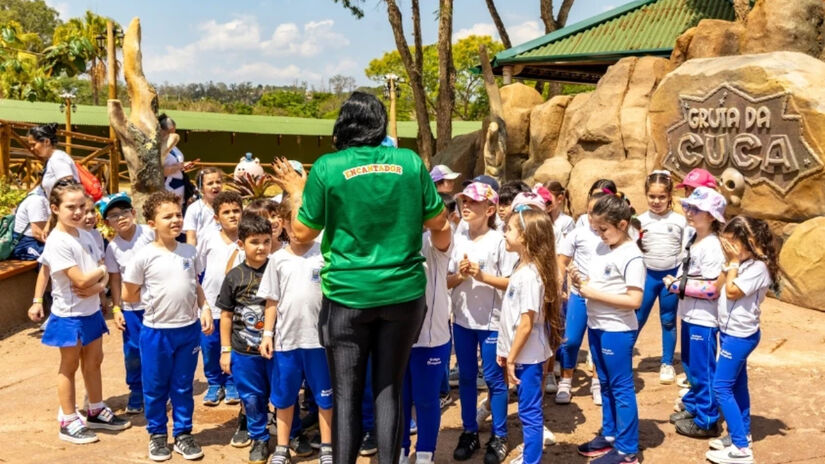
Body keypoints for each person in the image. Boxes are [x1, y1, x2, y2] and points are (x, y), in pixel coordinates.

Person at [269, 91, 448, 464]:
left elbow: (301, 234)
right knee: (390, 390)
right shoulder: (410, 162)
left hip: (347, 298)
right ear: (379, 123)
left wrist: (297, 189)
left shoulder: (328, 167)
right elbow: (439, 223)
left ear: (343, 124)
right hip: (403, 294)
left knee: (347, 395)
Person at [33, 179, 131, 444]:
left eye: (80, 206)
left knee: (94, 361)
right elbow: (81, 279)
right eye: (70, 207)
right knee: (69, 366)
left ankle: (96, 409)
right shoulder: (57, 241)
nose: (77, 212)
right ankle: (67, 419)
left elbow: (95, 275)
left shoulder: (86, 234)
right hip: (69, 315)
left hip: (90, 311)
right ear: (55, 208)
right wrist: (98, 279)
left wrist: (97, 284)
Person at [122, 191, 214, 462]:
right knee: (155, 385)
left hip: (188, 330)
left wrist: (204, 308)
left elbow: (195, 284)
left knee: (183, 385)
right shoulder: (143, 256)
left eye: (178, 214)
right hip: (156, 332)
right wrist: (156, 303)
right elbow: (129, 294)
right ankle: (158, 435)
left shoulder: (189, 251)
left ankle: (183, 433)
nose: (175, 220)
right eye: (167, 216)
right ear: (151, 223)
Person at [258, 199, 334, 464]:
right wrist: (267, 334)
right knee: (284, 396)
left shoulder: (325, 254)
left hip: (319, 342)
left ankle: (327, 446)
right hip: (286, 343)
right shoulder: (277, 260)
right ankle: (281, 448)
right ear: (283, 225)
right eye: (291, 223)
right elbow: (271, 300)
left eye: (304, 224)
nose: (296, 229)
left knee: (325, 397)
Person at [573, 193, 645, 464]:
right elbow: (599, 282)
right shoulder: (604, 248)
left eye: (603, 229)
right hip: (597, 325)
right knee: (604, 383)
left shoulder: (632, 256)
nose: (599, 235)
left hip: (617, 329)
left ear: (623, 225)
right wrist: (581, 282)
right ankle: (611, 435)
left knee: (620, 386)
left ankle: (627, 451)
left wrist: (593, 292)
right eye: (596, 229)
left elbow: (634, 300)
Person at [448, 182, 516, 464]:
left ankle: (499, 435)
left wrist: (481, 276)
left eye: (473, 203)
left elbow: (512, 283)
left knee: (494, 379)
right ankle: (469, 431)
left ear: (490, 209)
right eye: (463, 201)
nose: (465, 206)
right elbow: (447, 282)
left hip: (492, 322)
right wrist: (462, 277)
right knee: (465, 378)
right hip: (462, 321)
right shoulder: (455, 239)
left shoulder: (500, 241)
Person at [705, 216, 777, 464]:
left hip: (740, 336)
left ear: (750, 243)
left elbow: (732, 292)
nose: (728, 249)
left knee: (721, 386)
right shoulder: (740, 262)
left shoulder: (758, 267)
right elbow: (718, 286)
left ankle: (741, 448)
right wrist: (729, 262)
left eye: (732, 244)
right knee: (736, 385)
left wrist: (733, 262)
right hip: (729, 333)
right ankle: (741, 432)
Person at [496, 207, 562, 464]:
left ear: (524, 236)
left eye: (510, 229)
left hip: (528, 356)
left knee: (529, 412)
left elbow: (526, 322)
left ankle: (531, 460)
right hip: (523, 353)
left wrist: (511, 357)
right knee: (527, 410)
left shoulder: (530, 276)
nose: (505, 233)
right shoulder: (522, 268)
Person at [665, 187, 727, 439]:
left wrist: (677, 285)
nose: (689, 212)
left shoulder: (712, 245)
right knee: (691, 367)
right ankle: (695, 406)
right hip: (689, 315)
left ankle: (707, 419)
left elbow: (713, 288)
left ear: (712, 216)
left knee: (703, 369)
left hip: (704, 319)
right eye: (688, 207)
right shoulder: (693, 237)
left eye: (697, 209)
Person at [216, 213, 274, 464]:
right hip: (243, 351)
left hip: (277, 349)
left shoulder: (278, 269)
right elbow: (226, 315)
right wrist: (225, 349)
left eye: (266, 241)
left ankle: (291, 435)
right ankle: (260, 437)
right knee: (251, 397)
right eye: (254, 241)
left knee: (283, 393)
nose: (261, 247)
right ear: (241, 244)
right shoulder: (234, 277)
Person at [399, 204, 453, 464]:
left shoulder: (432, 243)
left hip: (431, 338)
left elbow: (441, 225)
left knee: (425, 400)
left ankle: (424, 454)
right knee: (399, 398)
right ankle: (398, 449)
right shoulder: (390, 244)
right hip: (396, 338)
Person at [556, 182, 615, 405]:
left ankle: (597, 381)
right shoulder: (577, 234)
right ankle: (566, 380)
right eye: (590, 213)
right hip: (579, 295)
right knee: (570, 341)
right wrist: (561, 285)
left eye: (598, 212)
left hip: (603, 298)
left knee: (597, 341)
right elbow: (562, 262)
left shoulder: (613, 236)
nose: (593, 218)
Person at [99, 192, 155, 414]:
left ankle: (157, 390)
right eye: (114, 216)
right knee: (132, 350)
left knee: (155, 349)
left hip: (155, 305)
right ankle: (137, 390)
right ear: (107, 223)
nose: (120, 218)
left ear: (134, 213)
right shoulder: (112, 248)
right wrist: (116, 308)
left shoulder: (149, 234)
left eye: (124, 212)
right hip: (131, 309)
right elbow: (115, 279)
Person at [636, 171, 688, 385]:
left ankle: (667, 363)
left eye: (661, 197)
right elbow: (633, 250)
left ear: (669, 197)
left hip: (670, 278)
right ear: (646, 195)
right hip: (647, 277)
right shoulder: (638, 221)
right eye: (652, 196)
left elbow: (685, 251)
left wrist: (677, 279)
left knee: (668, 320)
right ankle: (622, 358)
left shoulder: (680, 221)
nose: (656, 201)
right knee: (637, 318)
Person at [197, 191, 244, 406]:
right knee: (210, 346)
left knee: (235, 344)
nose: (232, 215)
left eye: (236, 211)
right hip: (212, 307)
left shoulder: (247, 240)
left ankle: (233, 381)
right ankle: (215, 383)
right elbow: (197, 271)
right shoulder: (208, 237)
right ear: (216, 217)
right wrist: (202, 304)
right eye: (226, 212)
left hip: (238, 308)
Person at [27, 123, 80, 197]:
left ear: (46, 142)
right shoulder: (51, 160)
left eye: (33, 144)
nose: (32, 148)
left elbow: (69, 186)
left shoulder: (58, 158)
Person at [160, 114, 197, 207]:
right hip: (168, 187)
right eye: (169, 132)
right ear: (161, 131)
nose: (173, 135)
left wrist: (184, 165)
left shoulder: (174, 146)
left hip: (180, 187)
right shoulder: (158, 147)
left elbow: (177, 164)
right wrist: (180, 166)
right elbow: (159, 171)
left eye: (174, 132)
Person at [183, 167, 223, 246]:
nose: (215, 186)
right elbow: (191, 237)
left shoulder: (229, 207)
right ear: (201, 188)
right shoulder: (194, 209)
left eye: (218, 182)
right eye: (210, 183)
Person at [11, 186, 49, 261]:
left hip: (37, 240)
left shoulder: (47, 196)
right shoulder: (37, 200)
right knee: (53, 254)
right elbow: (38, 234)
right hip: (25, 243)